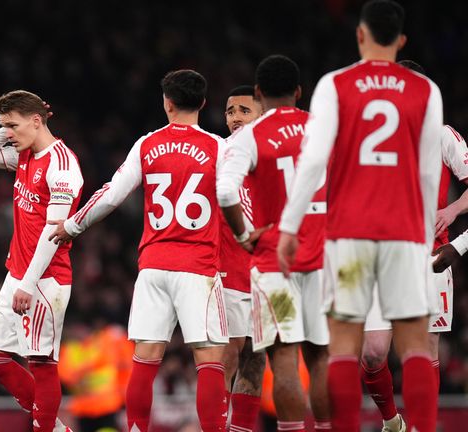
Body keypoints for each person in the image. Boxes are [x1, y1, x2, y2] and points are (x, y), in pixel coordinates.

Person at [277, 1, 443, 431]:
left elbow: (311, 162)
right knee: (416, 346)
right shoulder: (426, 91)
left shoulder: (335, 85)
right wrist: (422, 237)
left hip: (348, 237)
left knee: (345, 347)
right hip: (404, 236)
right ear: (401, 41)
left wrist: (291, 226)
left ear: (360, 35)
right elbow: (429, 172)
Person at [50, 69, 230, 431]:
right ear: (204, 103)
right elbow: (233, 199)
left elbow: (112, 194)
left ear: (166, 103)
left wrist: (73, 225)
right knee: (210, 360)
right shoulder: (218, 147)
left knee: (145, 361)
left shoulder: (147, 144)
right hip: (199, 267)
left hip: (153, 267)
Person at [217, 55, 330, 432]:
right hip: (323, 262)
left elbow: (224, 189)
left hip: (274, 268)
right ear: (299, 92)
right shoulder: (326, 129)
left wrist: (244, 235)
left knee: (283, 361)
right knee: (321, 359)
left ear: (260, 94)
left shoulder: (250, 137)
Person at [360, 60, 468, 432]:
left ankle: (422, 428)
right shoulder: (371, 136)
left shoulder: (441, 135)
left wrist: (453, 210)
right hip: (378, 256)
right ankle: (392, 422)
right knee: (373, 354)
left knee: (425, 351)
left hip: (428, 256)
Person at [0, 90, 83, 432]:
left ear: (37, 121)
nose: (9, 134)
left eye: (13, 126)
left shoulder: (63, 167)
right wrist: (7, 125)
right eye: (5, 127)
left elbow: (54, 233)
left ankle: (45, 427)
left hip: (44, 280)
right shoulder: (24, 153)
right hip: (17, 274)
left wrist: (28, 284)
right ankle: (55, 426)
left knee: (42, 364)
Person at [220, 85, 267, 432]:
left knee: (258, 356)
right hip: (229, 270)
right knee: (229, 354)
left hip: (268, 272)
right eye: (230, 111)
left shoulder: (277, 157)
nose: (235, 117)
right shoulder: (220, 154)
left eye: (244, 110)